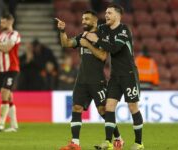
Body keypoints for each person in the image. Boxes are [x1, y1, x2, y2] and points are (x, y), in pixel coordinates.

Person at [85, 4, 144, 150]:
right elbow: (92, 31)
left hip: (129, 74)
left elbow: (114, 49)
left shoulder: (124, 30)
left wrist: (96, 40)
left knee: (133, 107)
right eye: (105, 13)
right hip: (115, 75)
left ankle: (139, 143)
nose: (106, 15)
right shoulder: (104, 28)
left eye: (109, 13)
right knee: (109, 107)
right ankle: (108, 141)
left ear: (118, 15)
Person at [56, 11, 110, 150]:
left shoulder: (102, 36)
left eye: (87, 19)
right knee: (76, 108)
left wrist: (88, 45)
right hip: (82, 80)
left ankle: (117, 139)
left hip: (97, 80)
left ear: (94, 21)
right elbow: (66, 43)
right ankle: (75, 143)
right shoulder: (82, 36)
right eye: (82, 19)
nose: (83, 21)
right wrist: (62, 30)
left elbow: (103, 56)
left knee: (103, 110)